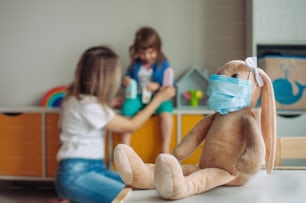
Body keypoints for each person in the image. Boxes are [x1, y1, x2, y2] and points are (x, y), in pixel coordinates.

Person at [53, 45, 175, 203]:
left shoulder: (77, 99)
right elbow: (130, 125)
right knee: (132, 198)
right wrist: (159, 99)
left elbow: (89, 113)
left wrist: (108, 104)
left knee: (140, 189)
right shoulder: (89, 105)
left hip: (92, 169)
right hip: (77, 174)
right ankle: (70, 195)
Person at [121, 26, 175, 153]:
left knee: (166, 112)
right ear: (137, 51)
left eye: (151, 52)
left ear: (157, 49)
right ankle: (126, 148)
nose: (146, 56)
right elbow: (126, 79)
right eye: (142, 53)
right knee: (127, 108)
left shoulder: (163, 64)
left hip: (158, 96)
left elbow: (170, 83)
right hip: (139, 96)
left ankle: (165, 149)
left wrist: (157, 86)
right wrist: (126, 81)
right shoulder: (135, 64)